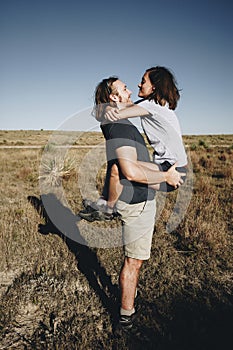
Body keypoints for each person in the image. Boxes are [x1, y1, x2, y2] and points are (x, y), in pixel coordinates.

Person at [79, 76, 185, 330]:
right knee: (133, 263)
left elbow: (116, 167)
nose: (133, 89)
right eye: (125, 88)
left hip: (135, 195)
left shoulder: (122, 120)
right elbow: (129, 171)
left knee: (119, 169)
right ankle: (126, 317)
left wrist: (103, 108)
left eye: (139, 83)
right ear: (114, 97)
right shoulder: (123, 127)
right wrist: (166, 176)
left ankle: (107, 205)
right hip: (138, 201)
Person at [79, 66, 187, 221]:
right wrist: (111, 106)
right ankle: (104, 204)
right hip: (172, 165)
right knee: (118, 164)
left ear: (154, 87)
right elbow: (125, 107)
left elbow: (115, 114)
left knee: (123, 169)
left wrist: (109, 108)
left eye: (143, 81)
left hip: (174, 170)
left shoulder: (151, 105)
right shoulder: (152, 105)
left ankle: (107, 208)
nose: (138, 85)